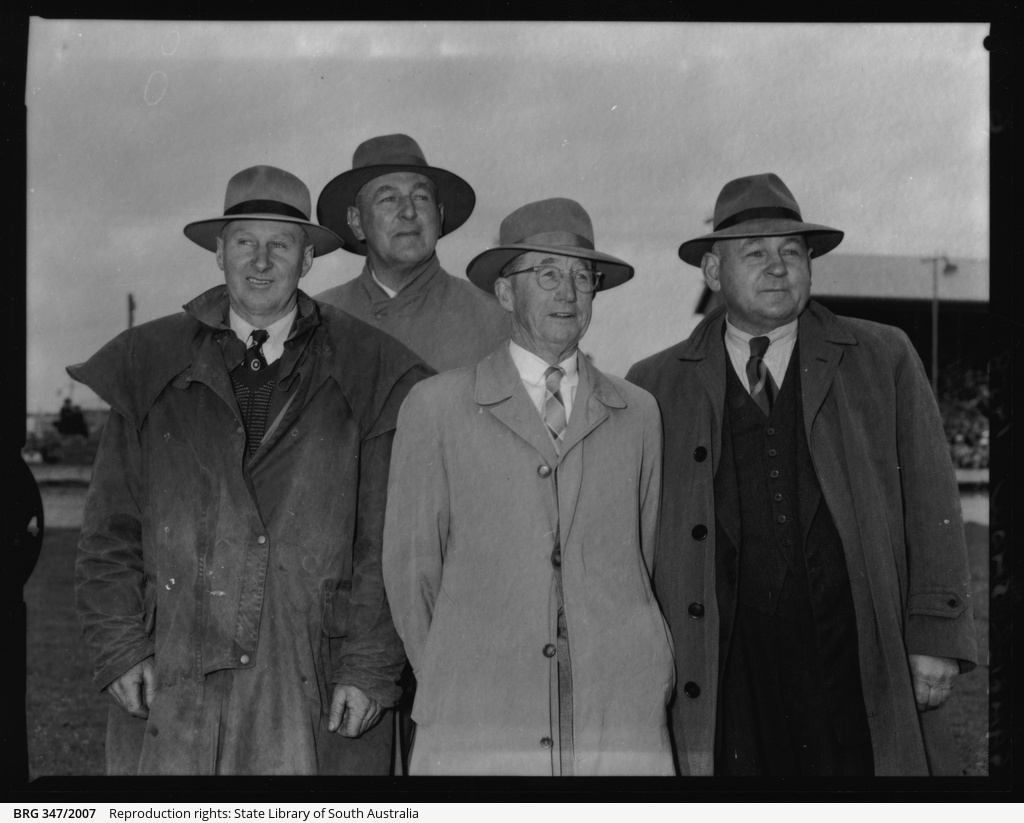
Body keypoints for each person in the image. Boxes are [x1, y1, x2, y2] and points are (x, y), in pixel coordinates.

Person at [69, 165, 431, 775]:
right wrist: (119, 646)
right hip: (176, 678)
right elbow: (109, 534)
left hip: (307, 678)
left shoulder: (370, 367)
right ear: (219, 252)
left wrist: (369, 666)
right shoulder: (149, 362)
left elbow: (387, 544)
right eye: (245, 242)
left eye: (281, 244)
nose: (261, 262)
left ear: (307, 258)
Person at [626, 173, 978, 776]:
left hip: (853, 648)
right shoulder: (656, 383)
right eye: (754, 253)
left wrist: (936, 633)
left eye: (792, 251)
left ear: (811, 267)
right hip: (725, 660)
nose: (777, 266)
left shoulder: (882, 357)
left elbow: (933, 501)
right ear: (713, 273)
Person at [382, 198, 675, 775]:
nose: (567, 291)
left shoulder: (639, 412)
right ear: (506, 292)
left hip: (615, 714)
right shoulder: (437, 407)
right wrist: (459, 674)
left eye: (581, 276)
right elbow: (411, 572)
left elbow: (641, 558)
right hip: (480, 717)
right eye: (546, 273)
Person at [315, 133, 509, 372]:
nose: (408, 211)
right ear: (356, 222)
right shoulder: (318, 320)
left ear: (439, 217)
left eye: (420, 197)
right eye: (388, 198)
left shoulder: (495, 318)